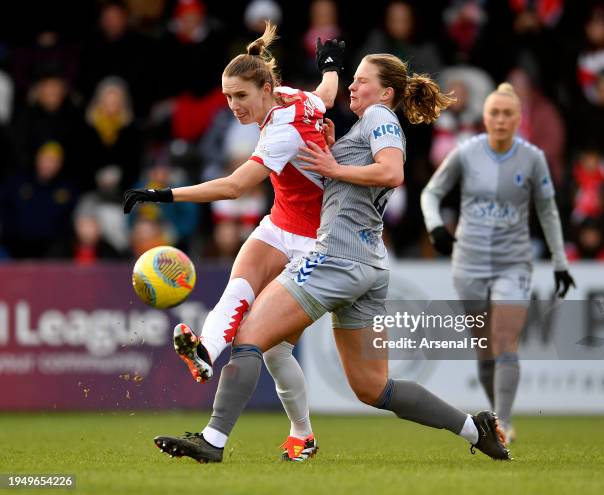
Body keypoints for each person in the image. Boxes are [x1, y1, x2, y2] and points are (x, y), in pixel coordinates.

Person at [152, 54, 511, 463]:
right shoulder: (366, 125)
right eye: (352, 80)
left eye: (360, 81)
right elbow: (354, 174)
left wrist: (332, 167)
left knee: (249, 336)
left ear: (386, 92)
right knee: (374, 388)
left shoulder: (380, 117)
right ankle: (474, 427)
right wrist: (330, 150)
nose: (352, 87)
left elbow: (392, 172)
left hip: (336, 256)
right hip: (369, 264)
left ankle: (213, 441)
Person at [123, 23, 345, 461]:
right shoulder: (296, 98)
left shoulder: (282, 128)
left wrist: (162, 194)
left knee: (275, 347)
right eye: (227, 96)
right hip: (279, 224)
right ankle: (206, 350)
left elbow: (233, 187)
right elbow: (329, 92)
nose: (233, 105)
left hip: (315, 243)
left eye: (240, 96)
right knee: (242, 297)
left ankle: (298, 432)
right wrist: (332, 63)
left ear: (266, 88)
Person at [420, 82, 576, 443]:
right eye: (495, 113)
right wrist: (436, 227)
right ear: (485, 117)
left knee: (505, 339)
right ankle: (497, 416)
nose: (501, 120)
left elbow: (548, 211)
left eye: (508, 113)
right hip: (468, 262)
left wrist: (559, 260)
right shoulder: (466, 152)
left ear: (519, 119)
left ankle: (502, 421)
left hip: (513, 262)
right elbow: (431, 193)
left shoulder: (533, 158)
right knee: (484, 346)